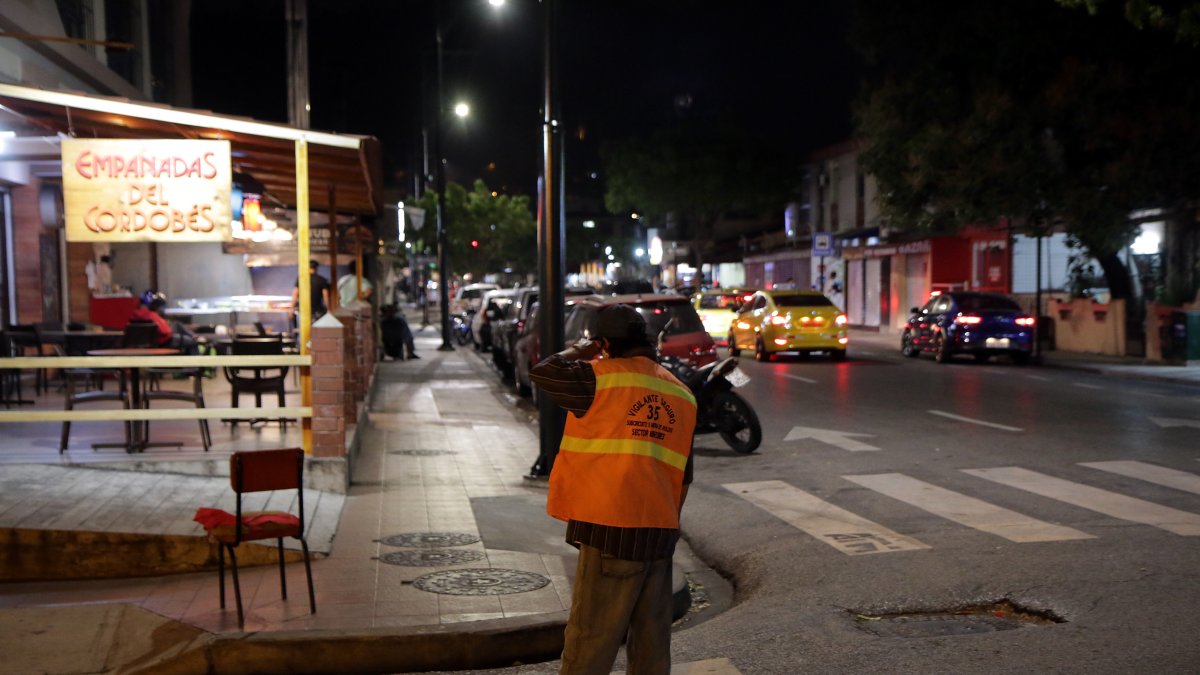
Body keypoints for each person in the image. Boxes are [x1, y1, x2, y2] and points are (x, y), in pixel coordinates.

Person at [530, 304, 698, 675]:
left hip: (610, 532)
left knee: (591, 640)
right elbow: (683, 476)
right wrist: (667, 526)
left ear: (604, 343)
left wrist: (581, 349)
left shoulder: (597, 378)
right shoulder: (682, 394)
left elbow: (544, 372)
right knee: (652, 645)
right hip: (659, 532)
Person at [130, 291, 199, 354]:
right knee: (191, 342)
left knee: (177, 324)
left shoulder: (135, 315)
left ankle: (193, 336)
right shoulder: (152, 315)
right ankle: (197, 365)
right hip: (163, 342)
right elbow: (166, 332)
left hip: (150, 343)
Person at [291, 259, 331, 325]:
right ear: (316, 268)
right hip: (318, 310)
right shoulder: (322, 280)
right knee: (317, 330)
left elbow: (295, 294)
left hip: (303, 309)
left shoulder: (301, 278)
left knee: (304, 330)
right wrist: (328, 308)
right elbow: (325, 296)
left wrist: (292, 308)